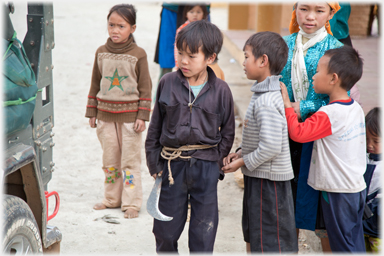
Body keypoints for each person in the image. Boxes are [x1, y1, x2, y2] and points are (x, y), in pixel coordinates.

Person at [145, 20, 235, 253]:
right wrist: (154, 163)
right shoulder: (167, 83)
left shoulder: (222, 90)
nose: (183, 61)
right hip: (172, 166)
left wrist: (216, 163)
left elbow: (228, 131)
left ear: (210, 58)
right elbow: (155, 128)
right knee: (165, 229)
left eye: (192, 56)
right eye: (181, 53)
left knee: (203, 231)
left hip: (206, 168)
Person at [281, 45, 366, 252]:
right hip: (355, 188)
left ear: (333, 78)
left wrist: (286, 104)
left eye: (317, 71)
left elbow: (298, 133)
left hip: (337, 192)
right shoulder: (354, 107)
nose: (313, 76)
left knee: (342, 245)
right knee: (352, 240)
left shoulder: (329, 113)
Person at [221, 31, 298, 253]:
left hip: (269, 184)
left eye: (246, 57)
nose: (243, 62)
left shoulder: (266, 100)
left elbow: (271, 146)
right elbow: (264, 138)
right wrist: (241, 151)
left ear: (263, 61)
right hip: (261, 178)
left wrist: (242, 162)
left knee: (268, 243)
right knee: (255, 236)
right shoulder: (265, 93)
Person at [279, 1, 344, 236]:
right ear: (295, 9)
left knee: (322, 216)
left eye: (319, 10)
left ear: (330, 13)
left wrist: (302, 107)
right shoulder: (282, 45)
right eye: (304, 9)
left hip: (320, 135)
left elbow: (338, 98)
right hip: (284, 132)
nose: (309, 17)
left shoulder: (336, 50)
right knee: (285, 204)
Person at [85, 4, 152, 219]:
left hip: (130, 120)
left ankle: (131, 203)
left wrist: (142, 115)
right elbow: (95, 82)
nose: (115, 30)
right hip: (105, 117)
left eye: (121, 26)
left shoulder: (138, 54)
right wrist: (92, 111)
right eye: (111, 25)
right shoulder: (101, 53)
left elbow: (146, 87)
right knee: (110, 161)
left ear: (132, 28)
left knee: (130, 162)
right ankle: (111, 199)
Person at [363, 107, 381, 253]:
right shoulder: (364, 159)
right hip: (363, 225)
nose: (369, 145)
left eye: (375, 141)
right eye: (366, 139)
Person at [174, 4, 208, 68]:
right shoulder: (182, 30)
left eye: (198, 12)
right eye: (191, 12)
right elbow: (177, 48)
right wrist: (178, 64)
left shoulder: (206, 30)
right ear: (186, 14)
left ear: (204, 14)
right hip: (186, 63)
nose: (195, 15)